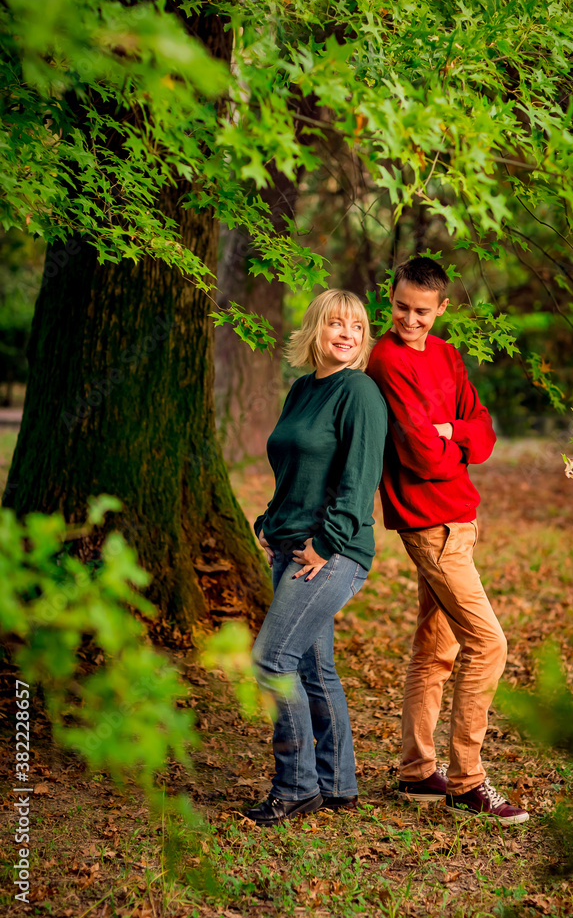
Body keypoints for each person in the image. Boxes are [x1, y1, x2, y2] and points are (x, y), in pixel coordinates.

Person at [366, 256, 528, 826]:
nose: (410, 320)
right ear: (390, 299)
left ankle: (417, 773)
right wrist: (450, 443)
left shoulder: (447, 355)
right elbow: (420, 456)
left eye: (422, 312)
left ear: (442, 308)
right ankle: (467, 781)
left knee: (436, 649)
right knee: (488, 643)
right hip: (428, 522)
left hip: (460, 516)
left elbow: (483, 432)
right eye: (401, 308)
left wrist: (452, 431)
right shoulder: (386, 360)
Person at [245, 289, 387, 826]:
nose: (347, 334)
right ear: (315, 330)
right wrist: (268, 520)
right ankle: (337, 784)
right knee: (313, 667)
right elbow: (290, 468)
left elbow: (360, 481)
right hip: (288, 546)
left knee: (271, 661)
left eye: (357, 326)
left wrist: (324, 546)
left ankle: (296, 787)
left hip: (332, 551)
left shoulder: (359, 393)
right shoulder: (303, 389)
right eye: (335, 323)